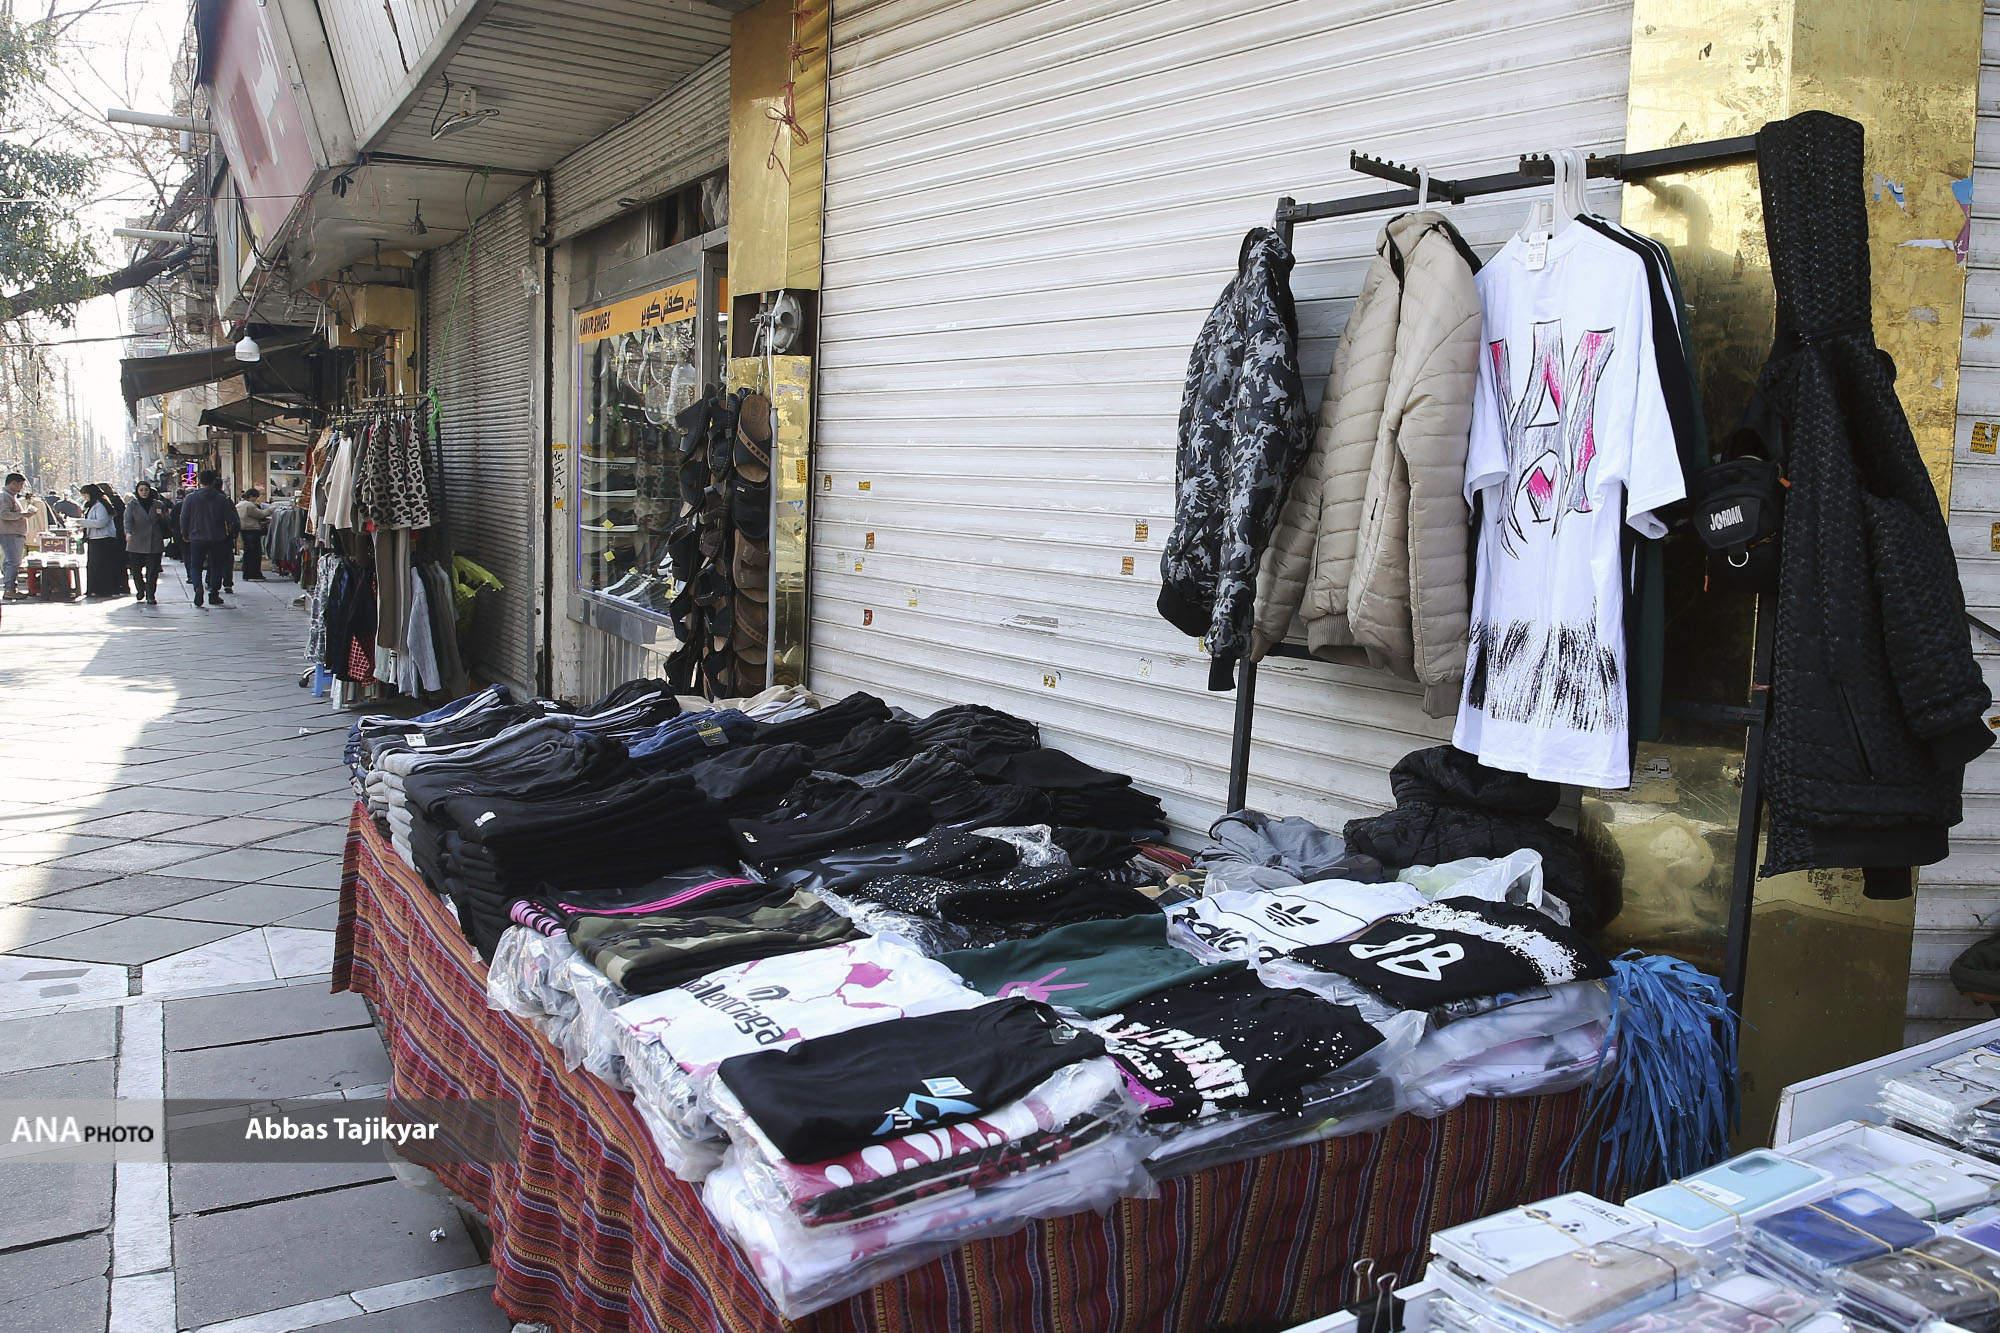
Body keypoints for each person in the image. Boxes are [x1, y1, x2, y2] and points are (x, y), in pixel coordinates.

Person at [174, 470, 238, 608]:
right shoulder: (221, 499)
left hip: (197, 537)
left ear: (199, 482)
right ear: (214, 481)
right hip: (217, 537)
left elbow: (184, 518)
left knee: (196, 565)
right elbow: (230, 518)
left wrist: (184, 534)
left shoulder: (190, 498)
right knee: (216, 566)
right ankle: (214, 593)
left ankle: (198, 586)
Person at [79, 484, 128, 598]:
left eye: (85, 495)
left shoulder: (100, 505)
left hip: (102, 539)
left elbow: (101, 522)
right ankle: (95, 588)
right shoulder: (94, 505)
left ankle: (103, 589)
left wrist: (82, 522)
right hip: (95, 538)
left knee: (102, 566)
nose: (85, 498)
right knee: (95, 566)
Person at [124, 481, 169, 605]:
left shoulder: (158, 505)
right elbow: (128, 520)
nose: (144, 492)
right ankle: (140, 589)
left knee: (152, 571)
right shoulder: (132, 505)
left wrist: (161, 515)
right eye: (141, 490)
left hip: (154, 541)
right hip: (136, 541)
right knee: (136, 570)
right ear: (137, 492)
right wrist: (128, 533)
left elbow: (167, 521)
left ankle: (150, 595)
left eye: (146, 490)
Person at [0, 473, 29, 600]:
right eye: (20, 484)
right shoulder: (5, 497)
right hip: (10, 533)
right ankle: (10, 589)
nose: (21, 487)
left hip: (13, 533)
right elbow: (4, 514)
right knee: (13, 561)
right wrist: (22, 515)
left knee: (11, 561)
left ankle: (10, 587)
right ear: (13, 483)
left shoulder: (11, 497)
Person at [236, 486, 272, 581]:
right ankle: (254, 574)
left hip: (244, 530)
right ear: (251, 496)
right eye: (255, 497)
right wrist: (271, 509)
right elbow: (261, 514)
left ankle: (247, 574)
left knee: (248, 553)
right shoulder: (249, 506)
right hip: (252, 530)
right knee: (255, 554)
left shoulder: (239, 504)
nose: (256, 500)